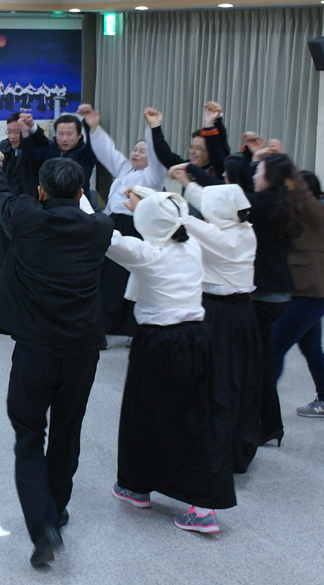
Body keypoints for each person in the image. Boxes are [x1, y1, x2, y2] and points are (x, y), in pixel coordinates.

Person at [0, 154, 112, 566]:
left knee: (28, 437)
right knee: (67, 432)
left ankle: (44, 528)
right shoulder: (100, 228)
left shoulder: (26, 217)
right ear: (81, 193)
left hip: (35, 350)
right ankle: (56, 509)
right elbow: (85, 210)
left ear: (40, 192)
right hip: (81, 353)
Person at [107, 187, 235, 535]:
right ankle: (136, 484)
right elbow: (175, 212)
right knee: (192, 415)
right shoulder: (191, 245)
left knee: (146, 415)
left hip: (160, 344)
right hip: (198, 338)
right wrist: (149, 202)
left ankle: (198, 507)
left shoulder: (146, 253)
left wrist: (78, 198)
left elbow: (103, 235)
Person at [173, 164, 262, 474]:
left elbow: (179, 217)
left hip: (218, 315)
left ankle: (215, 447)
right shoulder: (244, 229)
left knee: (217, 382)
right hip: (242, 315)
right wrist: (187, 183)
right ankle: (234, 442)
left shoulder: (221, 238)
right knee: (238, 380)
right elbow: (209, 202)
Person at [256, 155, 324, 419]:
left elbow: (301, 196)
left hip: (306, 295)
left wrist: (286, 166)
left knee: (274, 349)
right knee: (312, 349)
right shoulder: (297, 216)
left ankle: (261, 412)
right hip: (309, 294)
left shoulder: (311, 215)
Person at [84, 105, 166, 343]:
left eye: (142, 151)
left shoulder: (153, 176)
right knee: (107, 277)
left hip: (137, 226)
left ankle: (133, 329)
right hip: (114, 224)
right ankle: (105, 327)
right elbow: (107, 152)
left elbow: (157, 157)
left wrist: (152, 129)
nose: (136, 153)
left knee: (132, 278)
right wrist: (94, 127)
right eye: (135, 149)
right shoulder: (125, 169)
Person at [147, 102, 229, 184]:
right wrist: (155, 127)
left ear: (210, 150)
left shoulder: (220, 171)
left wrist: (216, 120)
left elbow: (221, 147)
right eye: (191, 147)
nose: (192, 152)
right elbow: (166, 156)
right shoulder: (187, 167)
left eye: (198, 148)